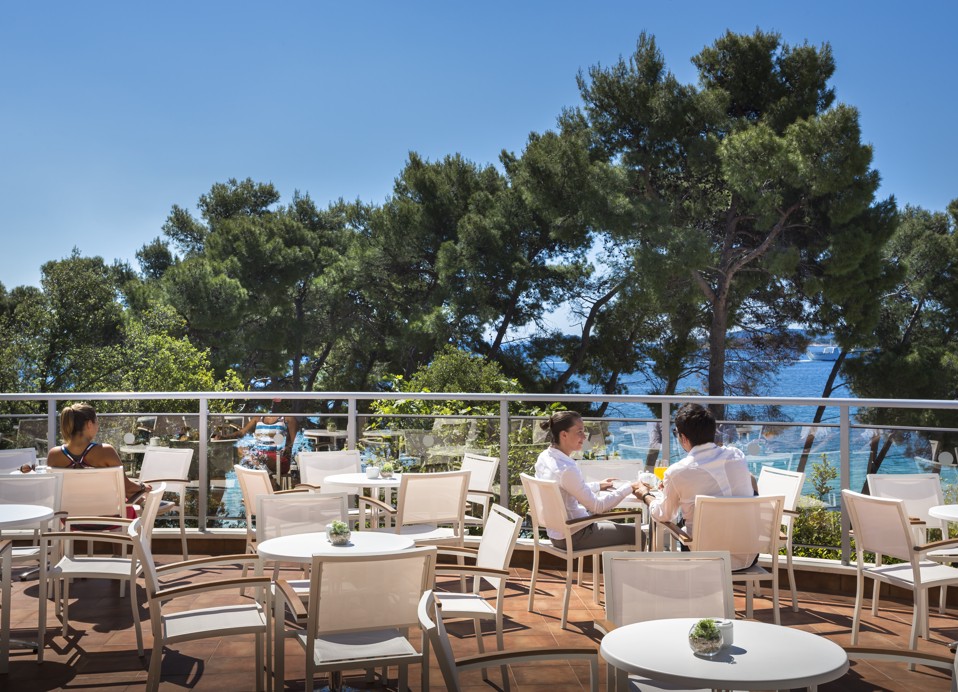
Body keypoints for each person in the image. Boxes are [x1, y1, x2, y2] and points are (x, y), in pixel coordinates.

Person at [633, 403, 757, 569]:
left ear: (683, 438)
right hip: (748, 554)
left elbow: (664, 515)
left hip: (704, 558)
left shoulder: (678, 472)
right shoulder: (737, 455)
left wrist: (645, 495)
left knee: (685, 521)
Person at [534, 410, 645, 550]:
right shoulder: (567, 469)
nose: (584, 437)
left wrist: (597, 485)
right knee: (638, 535)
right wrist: (631, 486)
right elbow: (597, 507)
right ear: (564, 434)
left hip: (557, 534)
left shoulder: (545, 457)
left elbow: (565, 488)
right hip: (575, 535)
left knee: (611, 526)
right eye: (579, 432)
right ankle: (632, 572)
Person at [47, 402, 150, 502]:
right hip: (109, 517)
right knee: (141, 502)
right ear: (89, 424)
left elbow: (52, 490)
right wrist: (142, 486)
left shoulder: (54, 455)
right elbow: (126, 487)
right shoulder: (106, 451)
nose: (98, 426)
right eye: (97, 422)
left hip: (70, 517)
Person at [214, 398, 297, 475]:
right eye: (273, 400)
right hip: (259, 456)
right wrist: (225, 436)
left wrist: (287, 451)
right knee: (242, 449)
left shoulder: (288, 418)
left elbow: (294, 442)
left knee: (257, 459)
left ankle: (261, 472)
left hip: (277, 458)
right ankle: (262, 473)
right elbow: (242, 432)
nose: (274, 403)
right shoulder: (258, 418)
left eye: (278, 400)